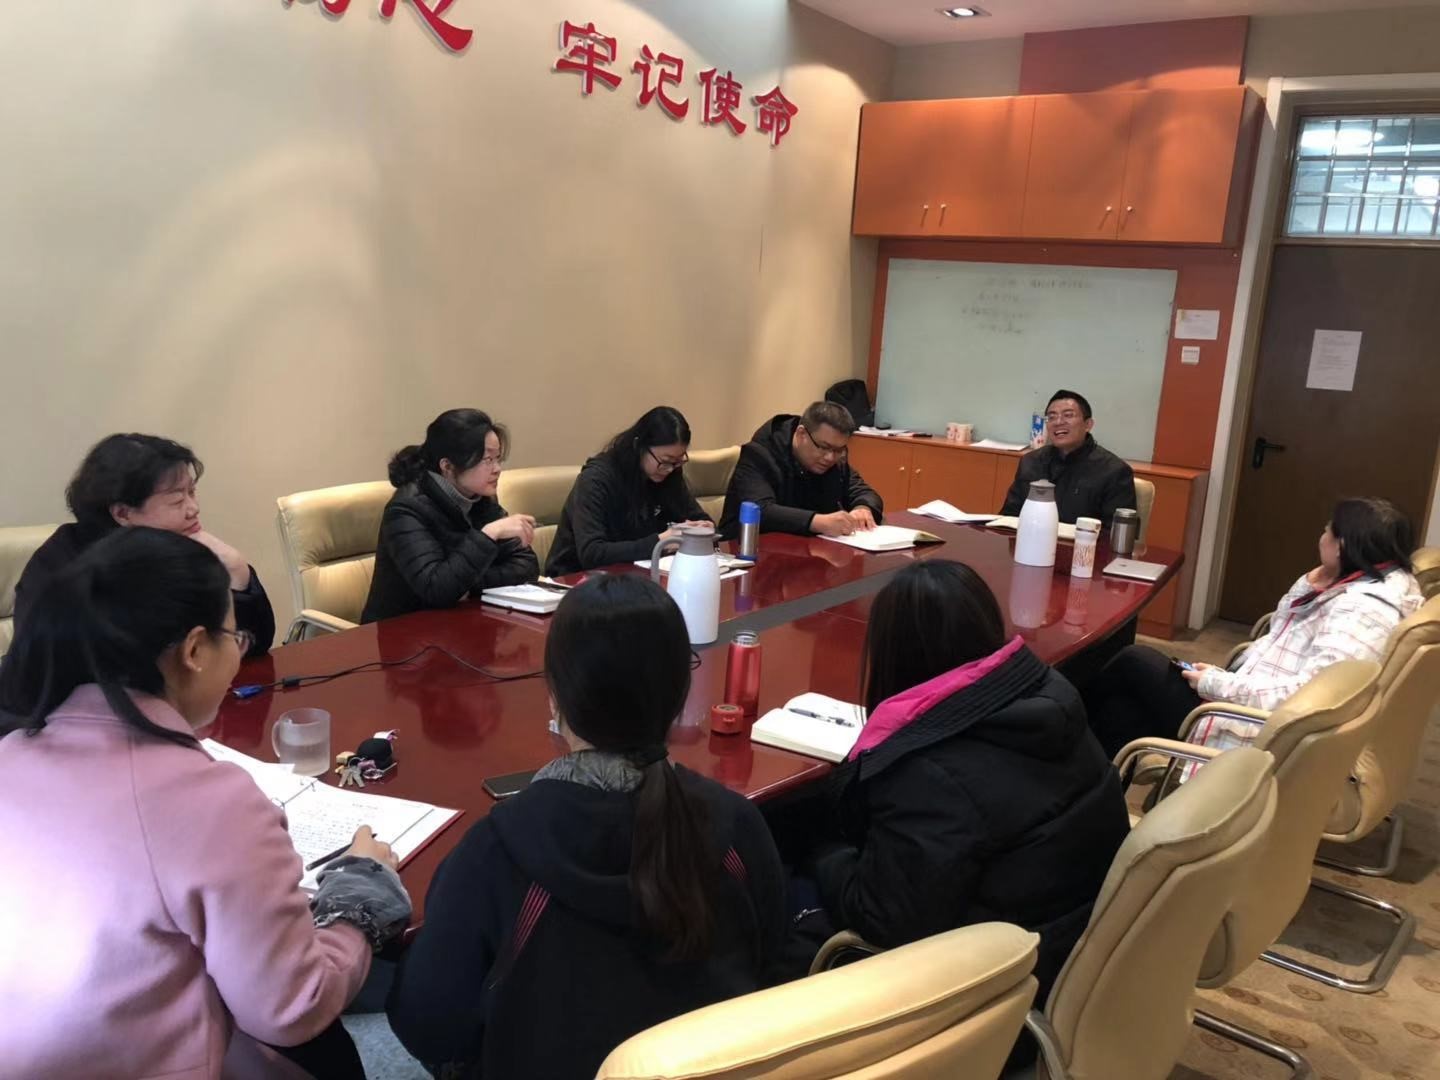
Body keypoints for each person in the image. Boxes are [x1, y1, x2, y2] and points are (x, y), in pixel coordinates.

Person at [0, 528, 411, 1079]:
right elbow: (293, 1008)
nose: (239, 651)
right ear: (194, 650)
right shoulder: (212, 802)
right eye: (235, 636)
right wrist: (361, 894)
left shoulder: (11, 755)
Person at [387, 575, 785, 1079]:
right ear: (680, 694)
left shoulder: (495, 852)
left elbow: (428, 1027)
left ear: (555, 696)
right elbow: (776, 976)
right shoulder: (735, 825)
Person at [793, 560, 1128, 1007]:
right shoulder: (1049, 697)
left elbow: (882, 919)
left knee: (776, 882)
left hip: (997, 998)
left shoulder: (930, 774)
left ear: (894, 653)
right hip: (1081, 955)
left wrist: (816, 850)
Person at [1085, 497, 1422, 759]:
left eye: (1327, 531)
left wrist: (1218, 683)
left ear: (1343, 545)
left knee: (1134, 661)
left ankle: (1071, 721)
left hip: (1252, 727)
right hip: (1250, 689)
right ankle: (1091, 789)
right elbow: (1282, 628)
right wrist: (1315, 579)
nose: (1320, 537)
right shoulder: (1365, 583)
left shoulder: (1361, 612)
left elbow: (1312, 698)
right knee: (1122, 711)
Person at [13, 433, 274, 657]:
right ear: (123, 513)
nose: (193, 509)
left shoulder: (181, 549)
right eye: (177, 500)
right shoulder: (59, 569)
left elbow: (253, 645)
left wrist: (237, 573)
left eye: (192, 492)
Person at [362, 408, 540, 623]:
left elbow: (526, 567)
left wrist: (465, 586)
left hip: (463, 623)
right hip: (403, 632)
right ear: (447, 466)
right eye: (487, 460)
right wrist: (488, 535)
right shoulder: (406, 509)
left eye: (498, 459)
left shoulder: (481, 499)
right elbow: (436, 589)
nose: (497, 469)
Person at [545, 406, 711, 577]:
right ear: (639, 446)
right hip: (577, 579)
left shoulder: (669, 473)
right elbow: (592, 553)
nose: (669, 469)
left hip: (636, 575)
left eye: (678, 461)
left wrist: (703, 527)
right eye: (665, 461)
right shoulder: (597, 479)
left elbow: (697, 516)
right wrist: (660, 542)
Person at [719, 401, 883, 538]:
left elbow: (864, 492)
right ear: (801, 434)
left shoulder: (835, 460)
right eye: (823, 447)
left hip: (811, 551)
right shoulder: (759, 454)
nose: (830, 457)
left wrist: (863, 508)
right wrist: (817, 522)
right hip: (748, 552)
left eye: (839, 450)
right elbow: (761, 510)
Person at [1000, 389, 1137, 528]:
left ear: (1088, 425)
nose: (1058, 422)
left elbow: (1115, 532)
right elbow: (1009, 516)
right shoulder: (1031, 461)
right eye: (1051, 417)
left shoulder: (1114, 471)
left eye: (1068, 415)